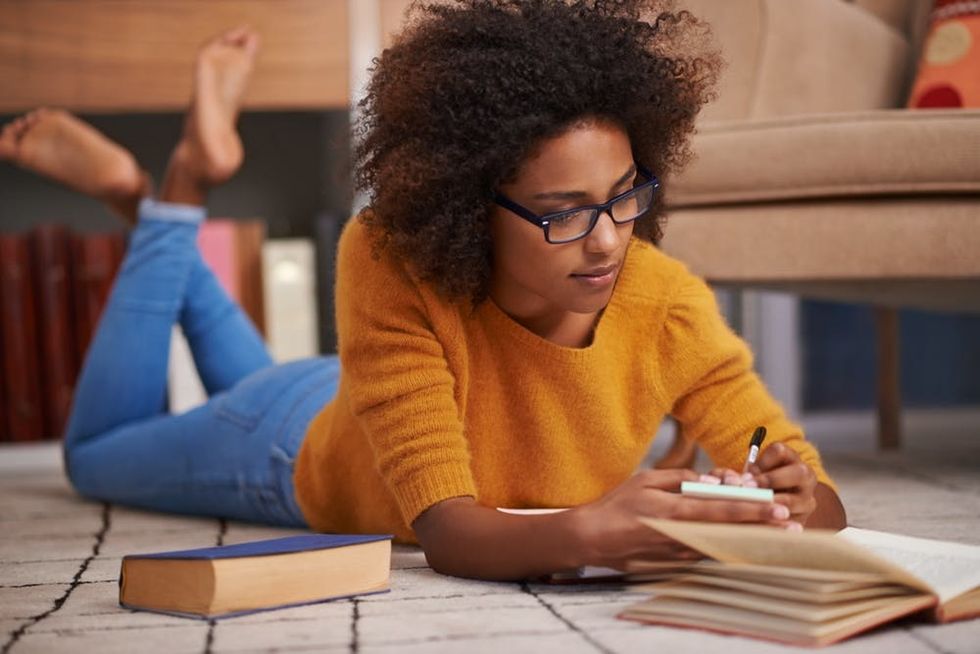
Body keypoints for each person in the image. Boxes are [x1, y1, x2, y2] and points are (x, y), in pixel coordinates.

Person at [0, 1, 845, 582]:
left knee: (243, 380)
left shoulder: (665, 303)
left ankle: (143, 212)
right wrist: (592, 530)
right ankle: (173, 188)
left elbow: (819, 497)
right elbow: (446, 531)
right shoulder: (394, 255)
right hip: (293, 449)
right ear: (470, 208)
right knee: (95, 455)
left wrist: (797, 500)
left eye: (626, 195)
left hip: (367, 397)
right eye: (563, 213)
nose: (607, 239)